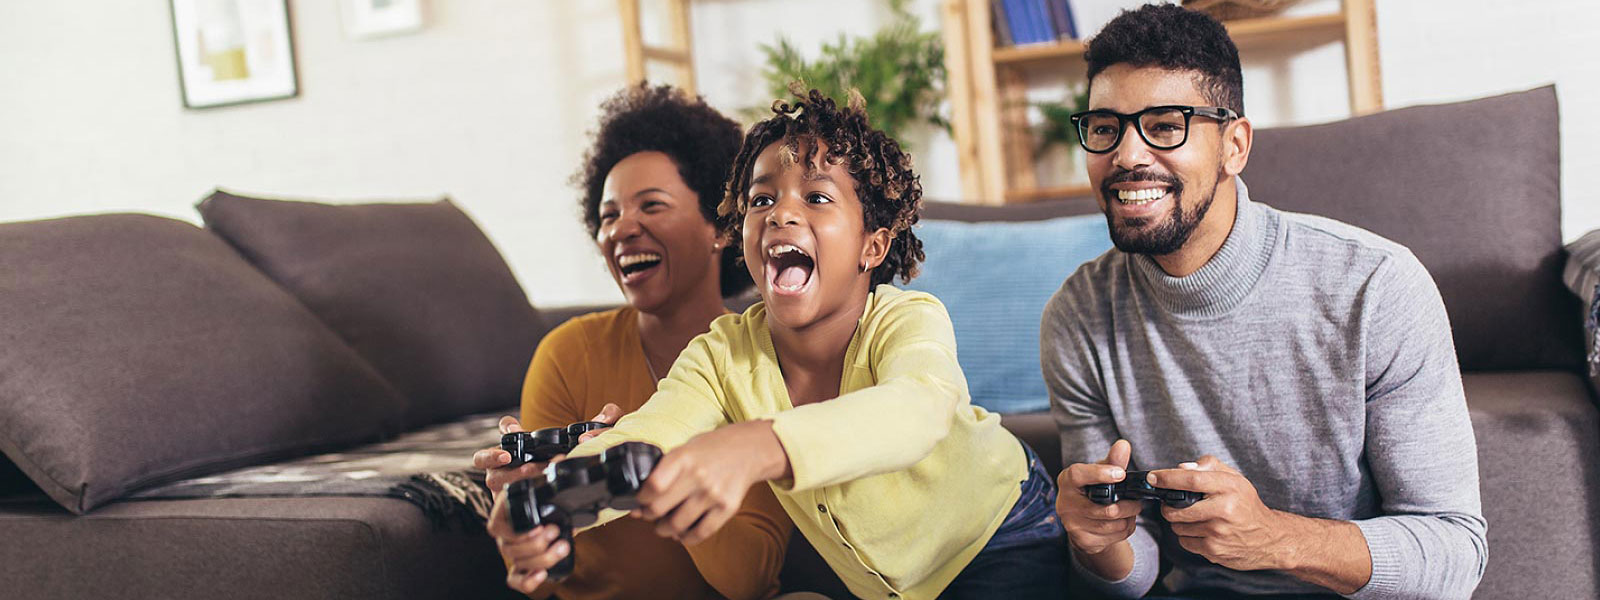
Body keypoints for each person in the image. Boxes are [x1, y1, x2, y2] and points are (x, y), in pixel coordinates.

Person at [487, 86, 1068, 600]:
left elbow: (916, 410)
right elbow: (644, 438)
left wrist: (754, 445)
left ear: (873, 246)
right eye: (761, 200)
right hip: (884, 584)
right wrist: (550, 506)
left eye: (816, 198)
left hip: (1001, 535)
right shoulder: (721, 353)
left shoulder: (905, 318)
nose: (780, 213)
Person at [1043, 5, 1487, 599]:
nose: (1127, 155)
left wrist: (1274, 538)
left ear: (1234, 146)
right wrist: (1097, 541)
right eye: (1105, 127)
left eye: (1166, 124)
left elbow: (1455, 552)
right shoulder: (1077, 317)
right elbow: (1134, 574)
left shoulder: (1376, 287)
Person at [472, 83, 792, 600]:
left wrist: (654, 478)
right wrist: (528, 519)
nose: (623, 229)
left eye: (652, 205)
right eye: (609, 215)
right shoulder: (567, 355)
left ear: (722, 226)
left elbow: (750, 579)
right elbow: (534, 580)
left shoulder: (766, 364)